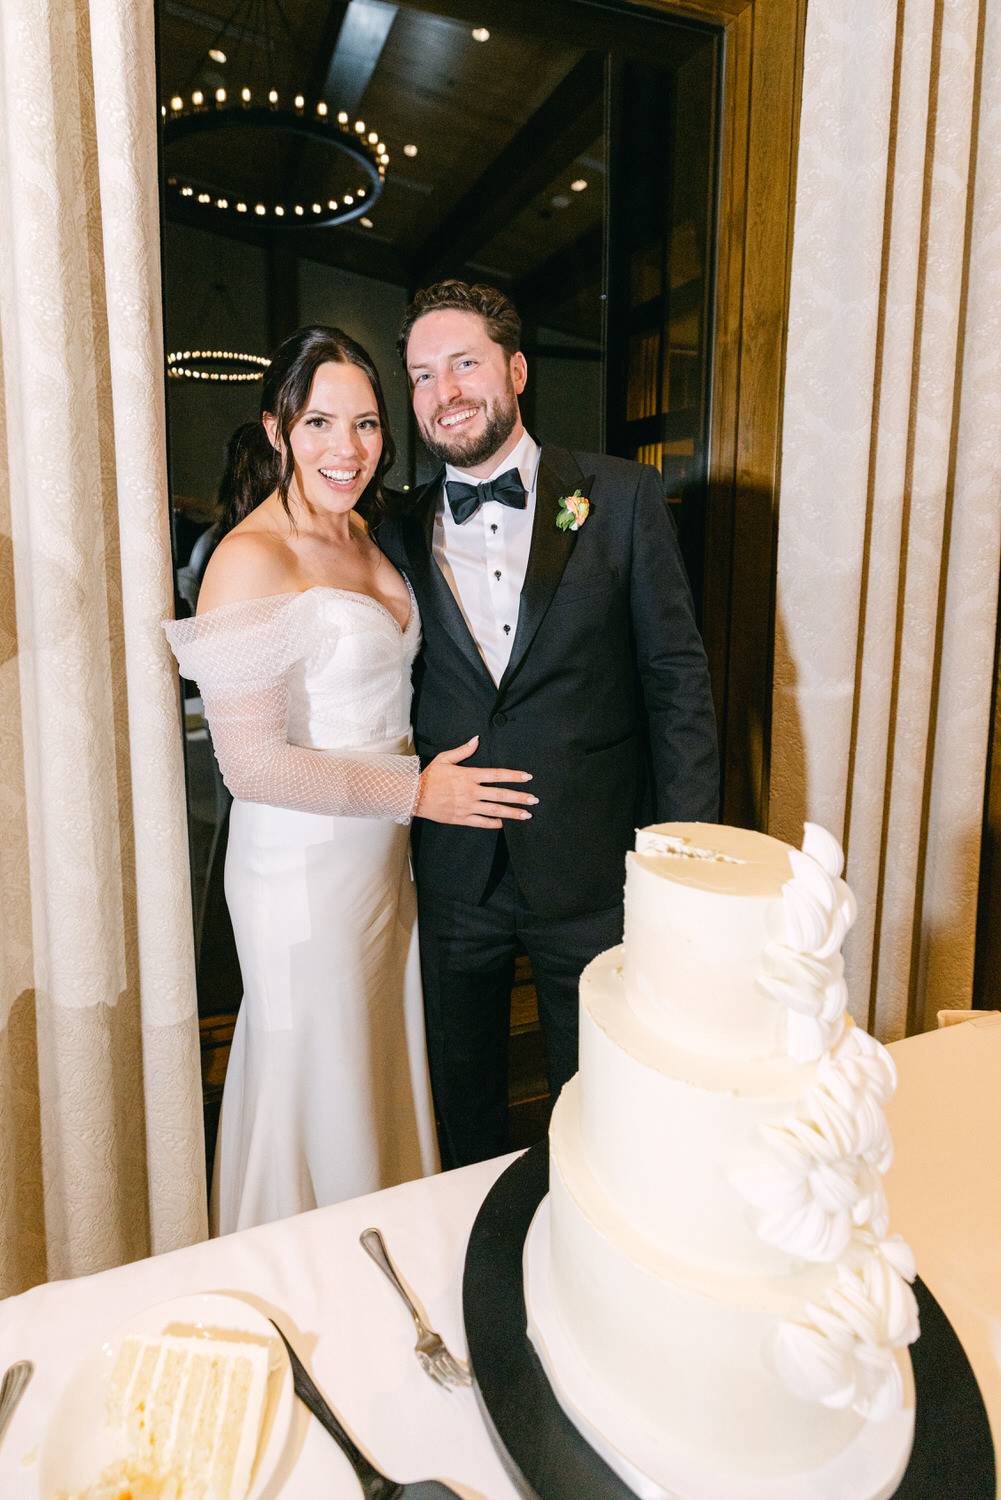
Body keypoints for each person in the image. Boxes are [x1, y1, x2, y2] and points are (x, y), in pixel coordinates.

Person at [164, 324, 535, 1233]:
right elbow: (249, 767)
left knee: (371, 1057)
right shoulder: (250, 557)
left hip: (380, 864)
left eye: (366, 424)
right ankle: (314, 1259)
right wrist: (418, 793)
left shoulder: (367, 530)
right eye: (320, 422)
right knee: (315, 1068)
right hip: (298, 868)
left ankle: (390, 1244)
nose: (348, 448)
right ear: (275, 429)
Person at [376, 281, 720, 1170]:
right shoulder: (390, 532)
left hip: (589, 860)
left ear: (515, 370)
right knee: (461, 1099)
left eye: (463, 363)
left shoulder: (622, 497)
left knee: (598, 1095)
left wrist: (678, 857)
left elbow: (675, 680)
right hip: (451, 871)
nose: (443, 391)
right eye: (420, 375)